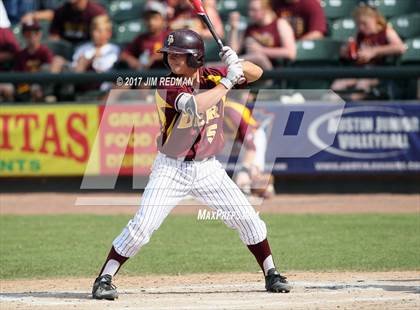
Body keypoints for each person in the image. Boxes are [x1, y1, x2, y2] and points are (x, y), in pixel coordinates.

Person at [91, 29, 291, 300]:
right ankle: (104, 278)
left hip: (208, 168)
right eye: (170, 55)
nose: (172, 60)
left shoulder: (213, 76)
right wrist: (229, 81)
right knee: (142, 227)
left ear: (195, 57)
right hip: (171, 169)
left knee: (248, 219)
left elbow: (257, 74)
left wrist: (238, 63)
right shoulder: (168, 86)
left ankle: (271, 273)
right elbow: (196, 105)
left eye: (178, 56)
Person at [331, 4, 406, 100]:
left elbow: (400, 47)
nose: (361, 27)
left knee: (362, 85)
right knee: (337, 85)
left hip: (379, 72)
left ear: (375, 19)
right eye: (358, 24)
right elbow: (355, 53)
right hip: (360, 70)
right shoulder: (360, 35)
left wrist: (375, 51)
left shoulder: (386, 31)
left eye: (364, 23)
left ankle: (353, 111)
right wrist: (346, 52)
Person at [224, 99, 274, 198]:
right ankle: (252, 188)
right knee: (249, 169)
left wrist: (244, 169)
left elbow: (251, 147)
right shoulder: (218, 110)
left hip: (255, 134)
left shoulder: (231, 112)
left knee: (250, 169)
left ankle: (261, 187)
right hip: (239, 138)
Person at [229, 0, 296, 70]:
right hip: (250, 71)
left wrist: (262, 50)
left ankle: (220, 66)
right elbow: (234, 51)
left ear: (266, 10)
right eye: (249, 10)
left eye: (254, 10)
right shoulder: (250, 28)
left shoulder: (279, 24)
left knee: (259, 57)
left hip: (273, 70)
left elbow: (290, 53)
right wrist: (233, 29)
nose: (250, 13)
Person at [72, 15, 120, 91]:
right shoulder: (82, 48)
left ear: (109, 33)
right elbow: (74, 70)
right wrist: (87, 62)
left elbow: (106, 69)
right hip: (84, 84)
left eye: (99, 31)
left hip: (106, 85)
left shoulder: (114, 49)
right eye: (93, 30)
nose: (95, 34)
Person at [13, 20, 57, 101]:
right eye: (28, 34)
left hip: (42, 88)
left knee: (50, 98)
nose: (32, 36)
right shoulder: (20, 55)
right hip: (26, 90)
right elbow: (18, 78)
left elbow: (50, 74)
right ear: (23, 35)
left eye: (35, 33)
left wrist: (40, 87)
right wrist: (29, 88)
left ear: (40, 34)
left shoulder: (45, 52)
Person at [119, 1, 169, 70]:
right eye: (147, 18)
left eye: (155, 18)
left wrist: (155, 58)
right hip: (145, 77)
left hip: (165, 77)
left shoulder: (169, 36)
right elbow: (123, 55)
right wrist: (132, 61)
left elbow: (177, 54)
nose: (151, 22)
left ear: (163, 20)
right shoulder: (141, 38)